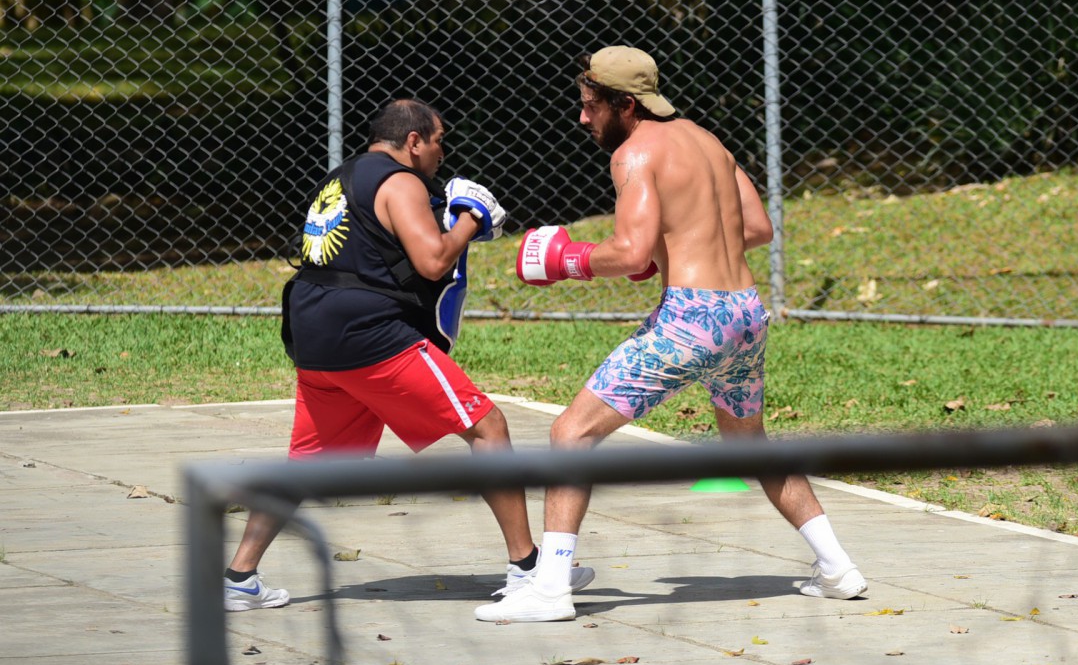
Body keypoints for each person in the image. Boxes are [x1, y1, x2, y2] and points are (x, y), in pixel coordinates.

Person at [476, 47, 866, 623]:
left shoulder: (635, 154)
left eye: (590, 106)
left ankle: (551, 588)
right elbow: (755, 229)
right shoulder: (709, 142)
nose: (582, 119)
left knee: (570, 434)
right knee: (750, 445)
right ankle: (837, 568)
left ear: (624, 104)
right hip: (744, 311)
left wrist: (568, 258)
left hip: (692, 318)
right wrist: (671, 250)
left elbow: (628, 251)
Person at [223, 98, 594, 612]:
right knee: (487, 427)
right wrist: (470, 219)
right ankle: (528, 568)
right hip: (368, 334)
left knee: (305, 463)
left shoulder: (343, 176)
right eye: (439, 140)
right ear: (414, 142)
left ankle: (239, 579)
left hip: (313, 334)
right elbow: (434, 260)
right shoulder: (401, 182)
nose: (443, 152)